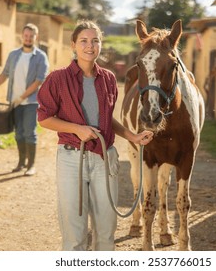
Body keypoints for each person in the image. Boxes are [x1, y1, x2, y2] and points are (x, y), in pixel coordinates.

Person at [37, 20, 153, 251]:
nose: (90, 46)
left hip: (104, 159)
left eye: (95, 41)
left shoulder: (109, 79)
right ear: (73, 45)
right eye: (84, 41)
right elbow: (44, 118)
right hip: (72, 159)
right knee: (74, 233)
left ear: (101, 44)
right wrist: (77, 129)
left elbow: (106, 118)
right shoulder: (58, 79)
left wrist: (132, 136)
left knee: (106, 231)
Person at [0, 23, 49, 176]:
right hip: (14, 102)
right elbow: (4, 74)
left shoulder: (41, 57)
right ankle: (21, 163)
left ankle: (31, 165)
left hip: (31, 102)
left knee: (30, 132)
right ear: (22, 36)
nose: (28, 38)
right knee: (18, 133)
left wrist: (22, 97)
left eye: (31, 36)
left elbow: (39, 80)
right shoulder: (14, 55)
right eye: (26, 35)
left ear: (36, 37)